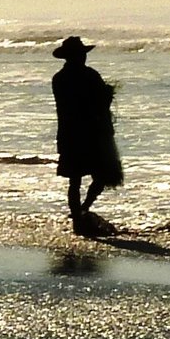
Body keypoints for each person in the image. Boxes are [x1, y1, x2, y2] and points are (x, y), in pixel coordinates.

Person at [50, 34, 122, 233]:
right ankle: (83, 209)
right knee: (102, 174)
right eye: (81, 54)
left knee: (75, 179)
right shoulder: (90, 75)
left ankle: (78, 216)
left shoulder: (58, 79)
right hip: (91, 133)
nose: (83, 57)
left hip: (68, 133)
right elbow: (100, 101)